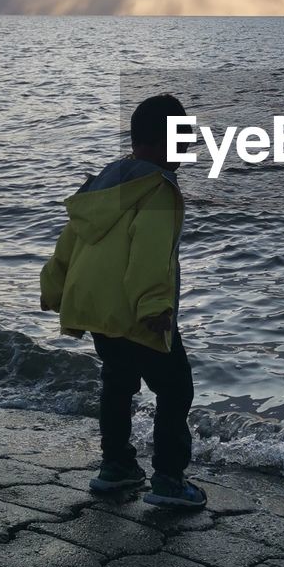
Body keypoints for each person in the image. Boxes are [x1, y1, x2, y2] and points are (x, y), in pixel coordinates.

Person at [39, 93, 206, 509]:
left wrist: (55, 286)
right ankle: (168, 480)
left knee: (117, 382)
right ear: (166, 142)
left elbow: (72, 239)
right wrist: (156, 310)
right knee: (176, 387)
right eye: (183, 139)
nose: (187, 150)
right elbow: (150, 256)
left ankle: (115, 467)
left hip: (99, 310)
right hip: (138, 312)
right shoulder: (159, 190)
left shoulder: (104, 182)